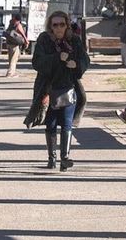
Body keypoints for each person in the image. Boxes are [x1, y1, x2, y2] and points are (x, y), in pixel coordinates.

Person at [31, 11, 90, 171]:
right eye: (55, 25)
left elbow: (85, 59)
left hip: (68, 87)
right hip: (48, 89)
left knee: (66, 123)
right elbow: (37, 62)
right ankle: (52, 159)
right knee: (50, 124)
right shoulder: (44, 39)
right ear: (50, 26)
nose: (58, 28)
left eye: (62, 24)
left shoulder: (74, 40)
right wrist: (57, 58)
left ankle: (65, 158)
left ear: (67, 25)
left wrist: (77, 64)